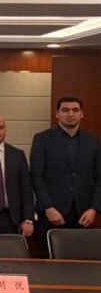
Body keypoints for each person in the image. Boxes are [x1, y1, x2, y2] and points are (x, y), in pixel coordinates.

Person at [30, 95, 101, 257]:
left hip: (84, 214)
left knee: (83, 263)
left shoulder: (93, 141)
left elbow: (99, 178)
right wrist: (48, 207)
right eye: (65, 110)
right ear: (57, 114)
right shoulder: (42, 139)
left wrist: (94, 209)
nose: (71, 114)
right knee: (50, 262)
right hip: (52, 214)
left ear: (82, 114)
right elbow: (36, 176)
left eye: (75, 110)